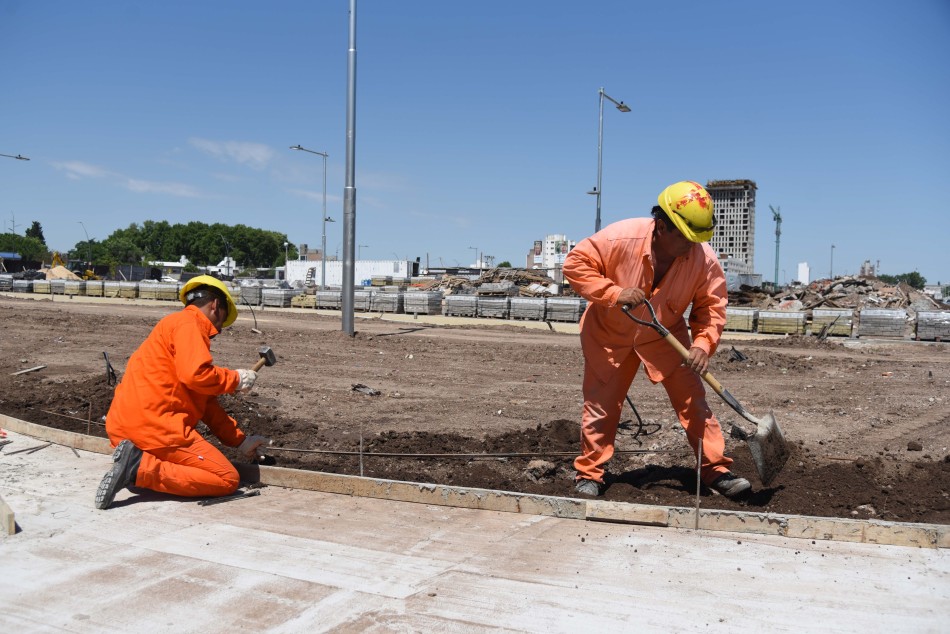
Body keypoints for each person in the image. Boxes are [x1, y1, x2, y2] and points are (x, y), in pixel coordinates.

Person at [563, 180, 751, 499]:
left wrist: (702, 345)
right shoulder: (621, 237)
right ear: (662, 227)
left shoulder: (704, 260)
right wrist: (614, 292)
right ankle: (590, 474)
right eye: (686, 237)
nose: (693, 246)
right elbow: (575, 264)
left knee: (694, 402)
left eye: (698, 239)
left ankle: (715, 469)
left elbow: (711, 307)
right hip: (609, 335)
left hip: (664, 335)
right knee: (600, 407)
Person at [95, 275, 270, 510]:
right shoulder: (190, 325)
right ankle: (137, 469)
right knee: (226, 478)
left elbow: (205, 402)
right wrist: (235, 379)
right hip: (156, 428)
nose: (219, 330)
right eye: (222, 320)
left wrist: (240, 441)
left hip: (123, 428)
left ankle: (136, 462)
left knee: (188, 468)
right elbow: (196, 375)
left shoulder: (171, 328)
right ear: (215, 305)